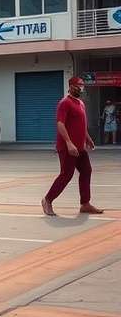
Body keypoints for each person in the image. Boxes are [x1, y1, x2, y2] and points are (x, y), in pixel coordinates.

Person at [42, 77, 103, 216]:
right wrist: (69, 143)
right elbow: (60, 124)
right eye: (77, 86)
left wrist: (88, 139)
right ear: (70, 86)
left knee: (86, 171)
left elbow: (82, 124)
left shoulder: (81, 103)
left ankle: (85, 204)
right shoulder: (64, 103)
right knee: (66, 175)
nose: (80, 88)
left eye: (82, 86)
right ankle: (47, 200)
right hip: (67, 147)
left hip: (80, 147)